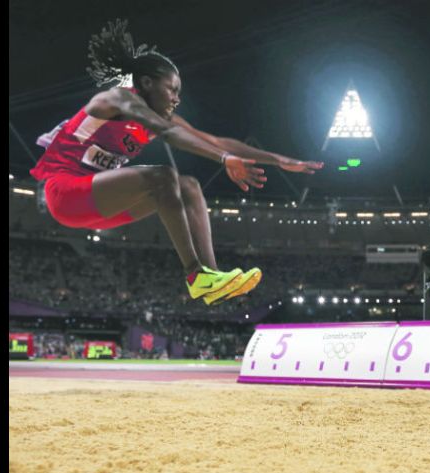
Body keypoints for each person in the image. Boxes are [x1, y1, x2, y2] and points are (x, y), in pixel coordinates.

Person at [30, 19, 323, 305]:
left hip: (101, 206)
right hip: (65, 194)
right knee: (162, 176)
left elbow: (217, 142)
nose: (176, 99)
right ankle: (195, 274)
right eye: (172, 89)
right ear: (146, 83)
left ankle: (212, 279)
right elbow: (169, 133)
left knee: (190, 187)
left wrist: (278, 159)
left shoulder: (160, 117)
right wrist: (225, 159)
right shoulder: (117, 99)